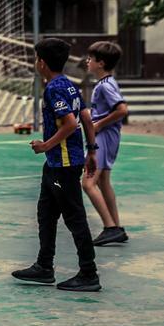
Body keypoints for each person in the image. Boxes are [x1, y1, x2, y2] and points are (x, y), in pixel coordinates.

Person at [11, 37, 102, 292]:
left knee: (75, 218)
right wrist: (92, 150)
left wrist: (45, 146)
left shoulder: (54, 89)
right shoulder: (68, 85)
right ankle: (44, 266)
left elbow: (72, 123)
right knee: (46, 214)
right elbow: (85, 115)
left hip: (63, 163)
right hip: (57, 163)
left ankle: (89, 273)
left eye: (36, 58)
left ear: (41, 62)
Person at [81, 41, 130, 246]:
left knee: (88, 182)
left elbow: (122, 110)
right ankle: (116, 227)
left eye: (90, 59)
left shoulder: (106, 85)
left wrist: (98, 124)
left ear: (100, 63)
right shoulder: (106, 83)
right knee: (103, 182)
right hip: (108, 136)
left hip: (104, 137)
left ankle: (110, 227)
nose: (87, 61)